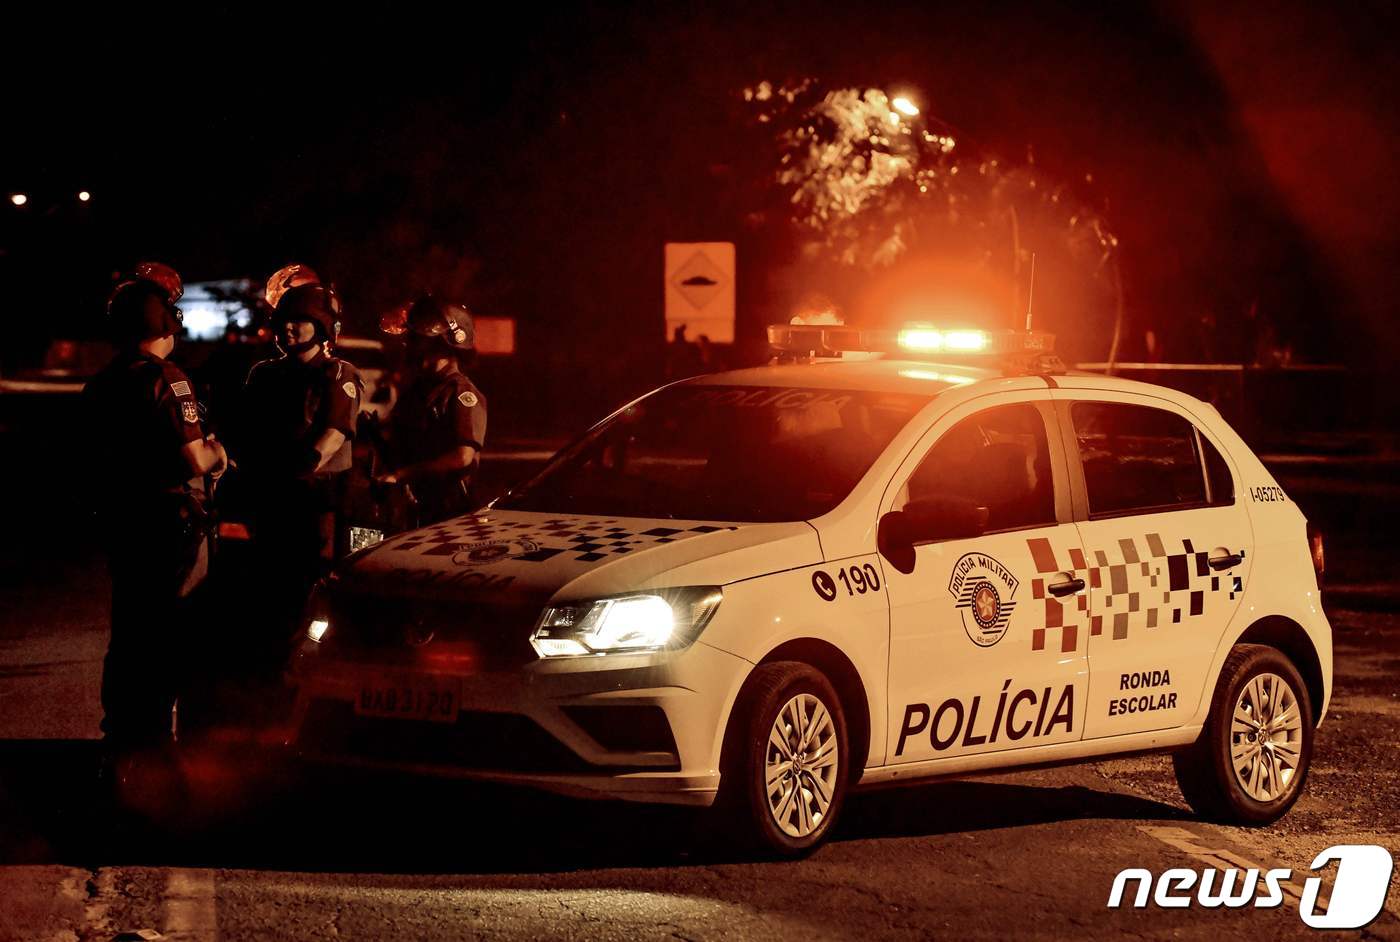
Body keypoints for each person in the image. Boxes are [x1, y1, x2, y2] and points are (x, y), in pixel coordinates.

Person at [82, 262, 229, 767]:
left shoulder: (100, 383)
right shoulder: (170, 380)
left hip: (122, 520)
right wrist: (218, 452)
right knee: (169, 628)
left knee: (127, 628)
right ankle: (156, 738)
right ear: (167, 325)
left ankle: (120, 730)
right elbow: (196, 460)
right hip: (171, 524)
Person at [237, 282, 360, 642]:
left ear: (322, 327)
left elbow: (335, 433)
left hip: (316, 501)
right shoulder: (265, 374)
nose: (287, 327)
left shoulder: (337, 373)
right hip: (268, 497)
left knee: (311, 586)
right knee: (263, 584)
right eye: (283, 320)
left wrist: (302, 464)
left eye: (299, 320)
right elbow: (245, 428)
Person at [375, 296, 487, 524]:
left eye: (418, 338)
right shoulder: (417, 391)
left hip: (450, 515)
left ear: (444, 344)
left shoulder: (461, 393)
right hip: (414, 511)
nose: (409, 344)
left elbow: (462, 456)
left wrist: (402, 475)